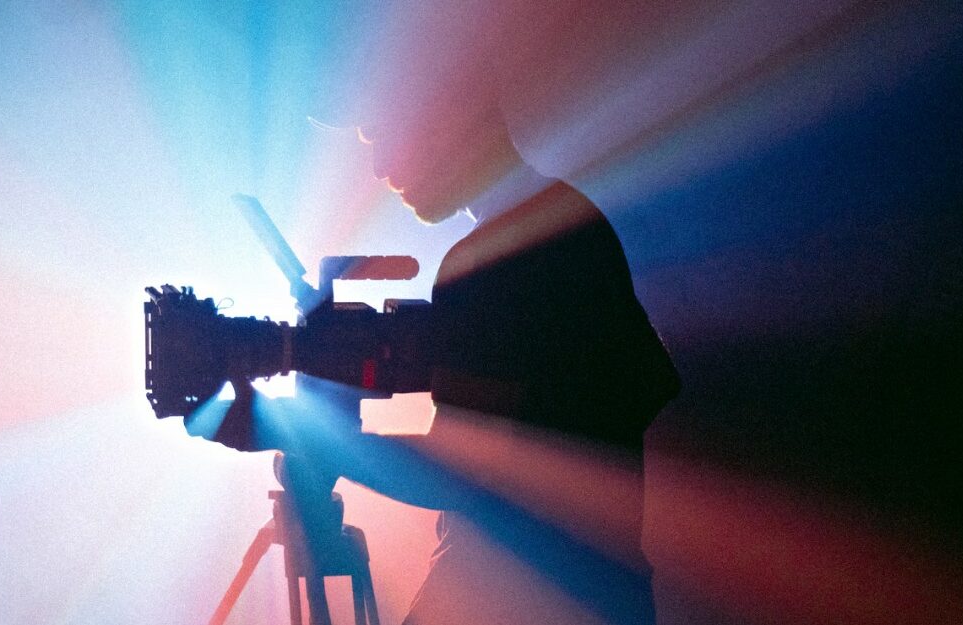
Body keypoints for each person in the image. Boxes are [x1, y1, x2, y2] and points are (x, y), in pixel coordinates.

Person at [198, 3, 680, 623]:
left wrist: (300, 434)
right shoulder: (570, 221)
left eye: (379, 136)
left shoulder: (491, 261)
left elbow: (460, 477)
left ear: (445, 116)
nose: (379, 168)